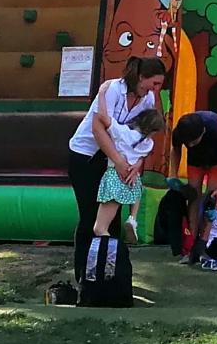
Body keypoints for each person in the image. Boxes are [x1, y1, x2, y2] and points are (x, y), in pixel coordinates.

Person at [66, 57, 166, 286]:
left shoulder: (148, 98)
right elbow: (98, 127)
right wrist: (120, 161)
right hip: (87, 156)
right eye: (154, 83)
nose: (156, 89)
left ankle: (107, 275)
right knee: (90, 217)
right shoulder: (112, 89)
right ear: (141, 77)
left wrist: (136, 164)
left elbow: (144, 135)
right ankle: (84, 276)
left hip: (114, 162)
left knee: (111, 218)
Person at [84, 107, 164, 293]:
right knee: (137, 192)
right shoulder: (148, 144)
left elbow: (104, 118)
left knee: (99, 228)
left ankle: (109, 256)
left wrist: (102, 95)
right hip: (132, 179)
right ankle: (132, 218)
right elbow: (141, 158)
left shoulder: (123, 132)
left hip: (116, 176)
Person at [171, 109, 217, 263]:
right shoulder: (180, 131)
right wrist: (173, 174)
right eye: (188, 143)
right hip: (195, 161)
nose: (190, 145)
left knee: (211, 202)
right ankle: (190, 246)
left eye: (194, 142)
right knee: (193, 197)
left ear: (203, 132)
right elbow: (176, 150)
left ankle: (202, 246)